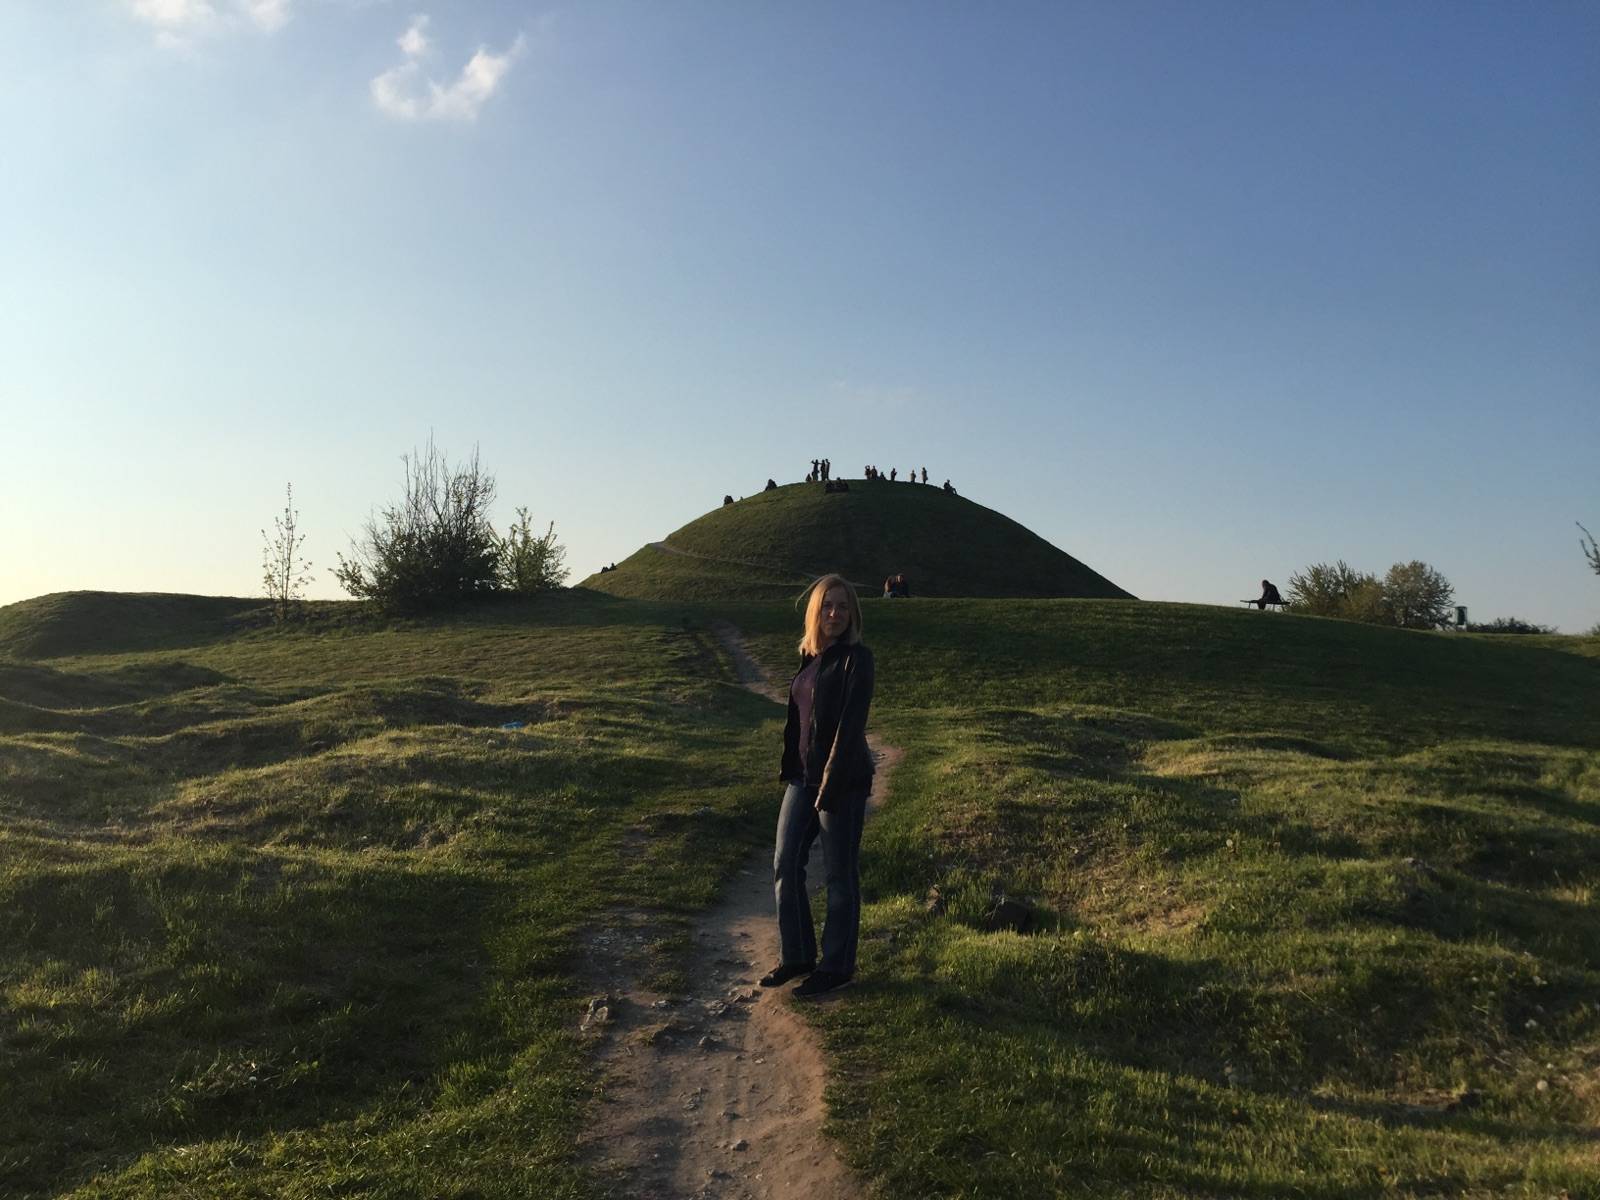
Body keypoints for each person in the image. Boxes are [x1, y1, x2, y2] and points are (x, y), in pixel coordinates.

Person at [763, 574, 876, 999]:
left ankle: (837, 966)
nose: (835, 613)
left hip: (842, 780)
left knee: (839, 874)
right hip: (803, 778)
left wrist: (829, 786)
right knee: (785, 863)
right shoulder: (809, 658)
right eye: (828, 605)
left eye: (843, 607)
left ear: (853, 614)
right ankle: (797, 955)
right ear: (816, 611)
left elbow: (850, 728)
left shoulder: (858, 659)